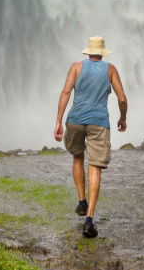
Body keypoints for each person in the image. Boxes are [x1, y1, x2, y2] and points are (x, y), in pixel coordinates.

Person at [53, 35, 127, 238]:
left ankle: (81, 201)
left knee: (78, 156)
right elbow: (122, 98)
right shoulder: (110, 69)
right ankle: (89, 220)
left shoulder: (76, 67)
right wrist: (123, 118)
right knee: (95, 166)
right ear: (102, 53)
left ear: (87, 51)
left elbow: (66, 91)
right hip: (99, 122)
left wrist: (58, 121)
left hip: (75, 119)